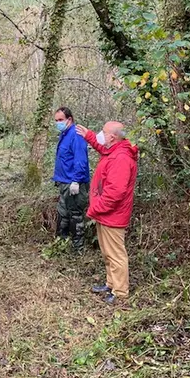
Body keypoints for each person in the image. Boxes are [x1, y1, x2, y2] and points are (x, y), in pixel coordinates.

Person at [76, 122, 138, 305]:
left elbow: (115, 193)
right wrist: (89, 136)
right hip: (106, 214)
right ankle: (111, 283)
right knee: (107, 252)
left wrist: (94, 209)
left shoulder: (121, 158)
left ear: (113, 137)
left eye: (103, 132)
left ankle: (120, 292)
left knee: (116, 254)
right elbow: (102, 148)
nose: (100, 135)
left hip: (113, 215)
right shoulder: (114, 150)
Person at [52, 107, 90, 251]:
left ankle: (78, 248)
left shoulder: (76, 135)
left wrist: (76, 180)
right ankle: (61, 243)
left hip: (74, 183)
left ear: (70, 119)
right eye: (56, 120)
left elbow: (80, 160)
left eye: (61, 120)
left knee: (75, 215)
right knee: (63, 212)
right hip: (64, 182)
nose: (58, 123)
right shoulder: (64, 134)